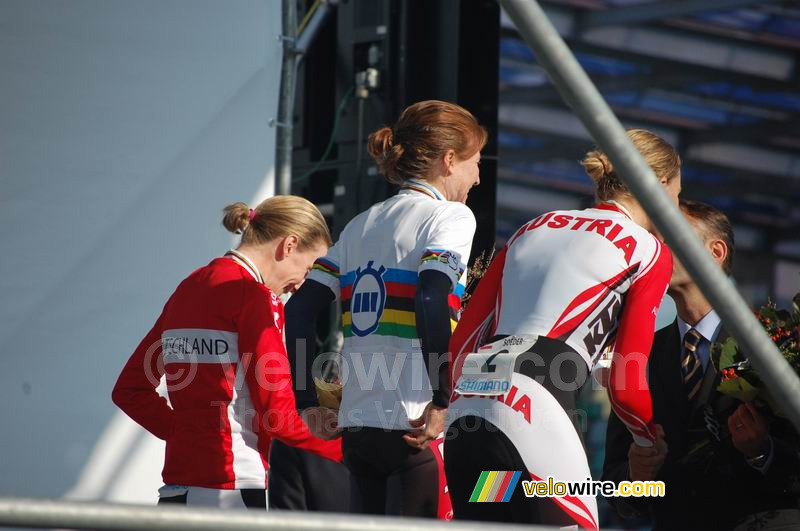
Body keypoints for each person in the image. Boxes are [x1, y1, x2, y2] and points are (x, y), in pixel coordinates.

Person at [444, 129, 680, 528]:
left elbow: (461, 344)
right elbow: (625, 382)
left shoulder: (532, 226)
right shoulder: (648, 249)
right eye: (677, 192)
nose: (676, 205)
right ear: (657, 185)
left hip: (469, 410)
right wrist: (645, 440)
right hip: (536, 409)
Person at [284, 100, 487, 516]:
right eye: (475, 162)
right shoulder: (450, 216)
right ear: (449, 161)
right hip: (413, 425)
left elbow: (298, 311)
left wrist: (307, 402)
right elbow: (430, 297)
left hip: (358, 428)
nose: (478, 177)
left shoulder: (361, 223)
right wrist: (442, 398)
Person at [112, 196, 342, 509]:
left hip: (176, 493)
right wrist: (347, 454)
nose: (302, 286)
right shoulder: (256, 299)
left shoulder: (187, 289)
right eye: (309, 268)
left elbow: (130, 390)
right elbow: (279, 418)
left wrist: (184, 434)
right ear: (289, 245)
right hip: (232, 490)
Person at [602, 200, 800, 530]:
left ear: (716, 252)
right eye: (653, 237)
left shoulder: (776, 341)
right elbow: (617, 487)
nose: (655, 248)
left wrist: (763, 452)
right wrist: (635, 477)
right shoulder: (639, 353)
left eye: (670, 235)